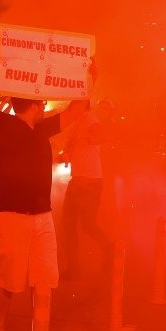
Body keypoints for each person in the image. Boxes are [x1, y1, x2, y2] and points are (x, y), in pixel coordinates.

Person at [0, 46, 90, 331]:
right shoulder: (4, 125)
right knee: (9, 279)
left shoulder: (42, 128)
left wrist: (88, 74)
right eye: (41, 102)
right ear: (35, 104)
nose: (44, 106)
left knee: (44, 280)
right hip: (10, 214)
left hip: (42, 215)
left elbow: (76, 110)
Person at [59, 103, 112, 280]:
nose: (68, 107)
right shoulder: (75, 123)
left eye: (72, 104)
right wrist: (65, 155)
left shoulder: (90, 119)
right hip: (78, 181)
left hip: (90, 182)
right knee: (68, 226)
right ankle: (74, 269)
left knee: (87, 225)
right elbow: (73, 148)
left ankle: (110, 252)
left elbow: (103, 136)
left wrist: (88, 140)